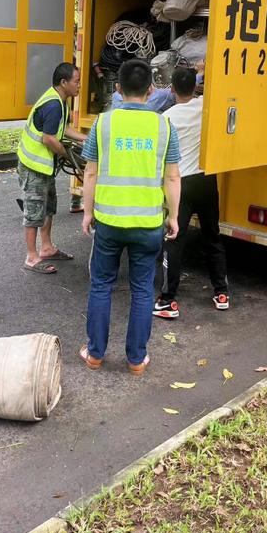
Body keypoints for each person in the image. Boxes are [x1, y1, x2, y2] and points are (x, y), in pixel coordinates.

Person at [79, 58, 181, 375]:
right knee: (141, 290)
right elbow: (173, 178)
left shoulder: (103, 123)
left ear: (119, 89)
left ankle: (95, 354)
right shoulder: (164, 126)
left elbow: (91, 172)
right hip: (148, 224)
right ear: (151, 90)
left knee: (101, 286)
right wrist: (173, 217)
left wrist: (87, 211)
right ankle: (136, 360)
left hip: (109, 222)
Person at [153, 66, 229, 318]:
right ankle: (221, 293)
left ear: (172, 89)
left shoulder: (167, 117)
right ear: (195, 87)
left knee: (174, 238)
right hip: (206, 180)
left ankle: (168, 300)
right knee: (212, 236)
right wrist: (204, 69)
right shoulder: (204, 108)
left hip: (180, 184)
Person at [17, 62, 87, 274]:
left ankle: (46, 248)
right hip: (33, 167)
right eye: (76, 81)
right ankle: (31, 257)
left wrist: (85, 138)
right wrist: (67, 154)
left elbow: (62, 128)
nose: (79, 86)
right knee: (34, 211)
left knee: (48, 208)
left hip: (44, 168)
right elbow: (49, 139)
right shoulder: (54, 105)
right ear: (63, 82)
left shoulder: (60, 100)